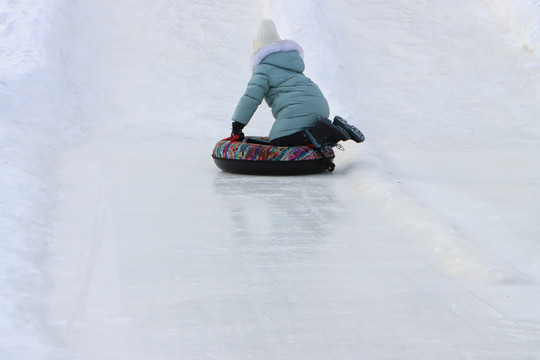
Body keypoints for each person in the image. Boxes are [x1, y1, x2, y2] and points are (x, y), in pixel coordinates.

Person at [230, 19, 364, 147]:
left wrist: (238, 125)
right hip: (320, 107)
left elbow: (250, 98)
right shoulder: (289, 64)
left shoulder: (263, 69)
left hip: (299, 109)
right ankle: (331, 131)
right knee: (292, 135)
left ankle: (324, 133)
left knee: (278, 139)